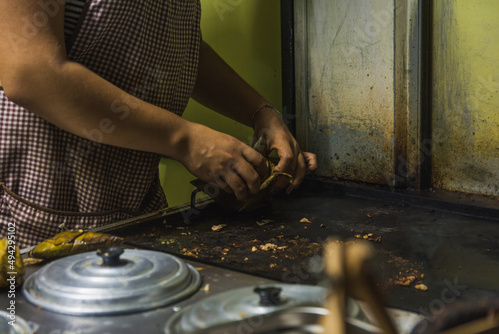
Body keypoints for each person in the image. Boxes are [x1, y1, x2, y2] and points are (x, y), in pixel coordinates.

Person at [0, 0, 317, 248]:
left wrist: (261, 112)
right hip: (38, 202)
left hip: (135, 204)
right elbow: (31, 72)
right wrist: (186, 140)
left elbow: (183, 48)